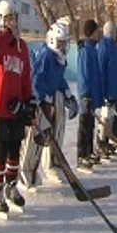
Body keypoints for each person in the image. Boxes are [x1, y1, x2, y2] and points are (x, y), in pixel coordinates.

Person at [0, 0, 37, 218]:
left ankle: (11, 186)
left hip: (16, 108)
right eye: (6, 19)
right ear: (0, 20)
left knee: (15, 148)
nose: (11, 23)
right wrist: (7, 33)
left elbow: (25, 76)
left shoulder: (22, 47)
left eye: (13, 18)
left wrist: (29, 101)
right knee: (0, 149)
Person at [19, 19, 78, 189]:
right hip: (38, 102)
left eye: (65, 43)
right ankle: (25, 172)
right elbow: (35, 81)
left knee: (52, 133)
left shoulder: (57, 59)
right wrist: (42, 101)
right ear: (52, 41)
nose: (64, 47)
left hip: (50, 100)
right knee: (35, 138)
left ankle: (51, 165)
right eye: (61, 43)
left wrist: (68, 96)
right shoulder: (45, 56)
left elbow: (58, 80)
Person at [76, 19, 103, 173]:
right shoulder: (86, 50)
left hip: (92, 94)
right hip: (87, 95)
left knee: (91, 124)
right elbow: (85, 75)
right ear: (92, 32)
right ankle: (81, 155)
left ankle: (89, 151)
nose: (98, 33)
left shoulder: (93, 49)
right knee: (84, 125)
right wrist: (85, 94)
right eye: (97, 30)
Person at [95, 21, 117, 160]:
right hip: (107, 90)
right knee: (105, 117)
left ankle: (106, 141)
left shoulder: (113, 46)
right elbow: (101, 70)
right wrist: (103, 91)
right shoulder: (104, 46)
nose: (114, 33)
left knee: (110, 118)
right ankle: (101, 143)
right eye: (112, 31)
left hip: (114, 89)